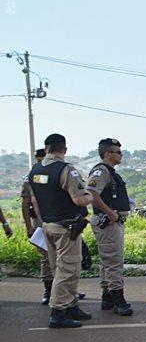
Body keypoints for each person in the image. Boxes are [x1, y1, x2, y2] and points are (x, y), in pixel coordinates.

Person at [26, 133, 94, 328]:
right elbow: (79, 199)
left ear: (46, 149)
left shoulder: (35, 171)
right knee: (68, 269)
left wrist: (44, 221)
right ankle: (58, 312)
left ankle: (71, 305)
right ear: (64, 150)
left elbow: (35, 202)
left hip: (47, 225)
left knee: (59, 268)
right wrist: (89, 195)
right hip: (67, 227)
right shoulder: (66, 170)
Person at [86, 138, 133, 315]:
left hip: (111, 221)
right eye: (117, 152)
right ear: (107, 154)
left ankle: (107, 296)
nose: (120, 155)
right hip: (108, 221)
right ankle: (118, 298)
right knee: (114, 261)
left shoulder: (110, 172)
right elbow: (91, 192)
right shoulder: (101, 171)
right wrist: (110, 213)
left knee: (107, 261)